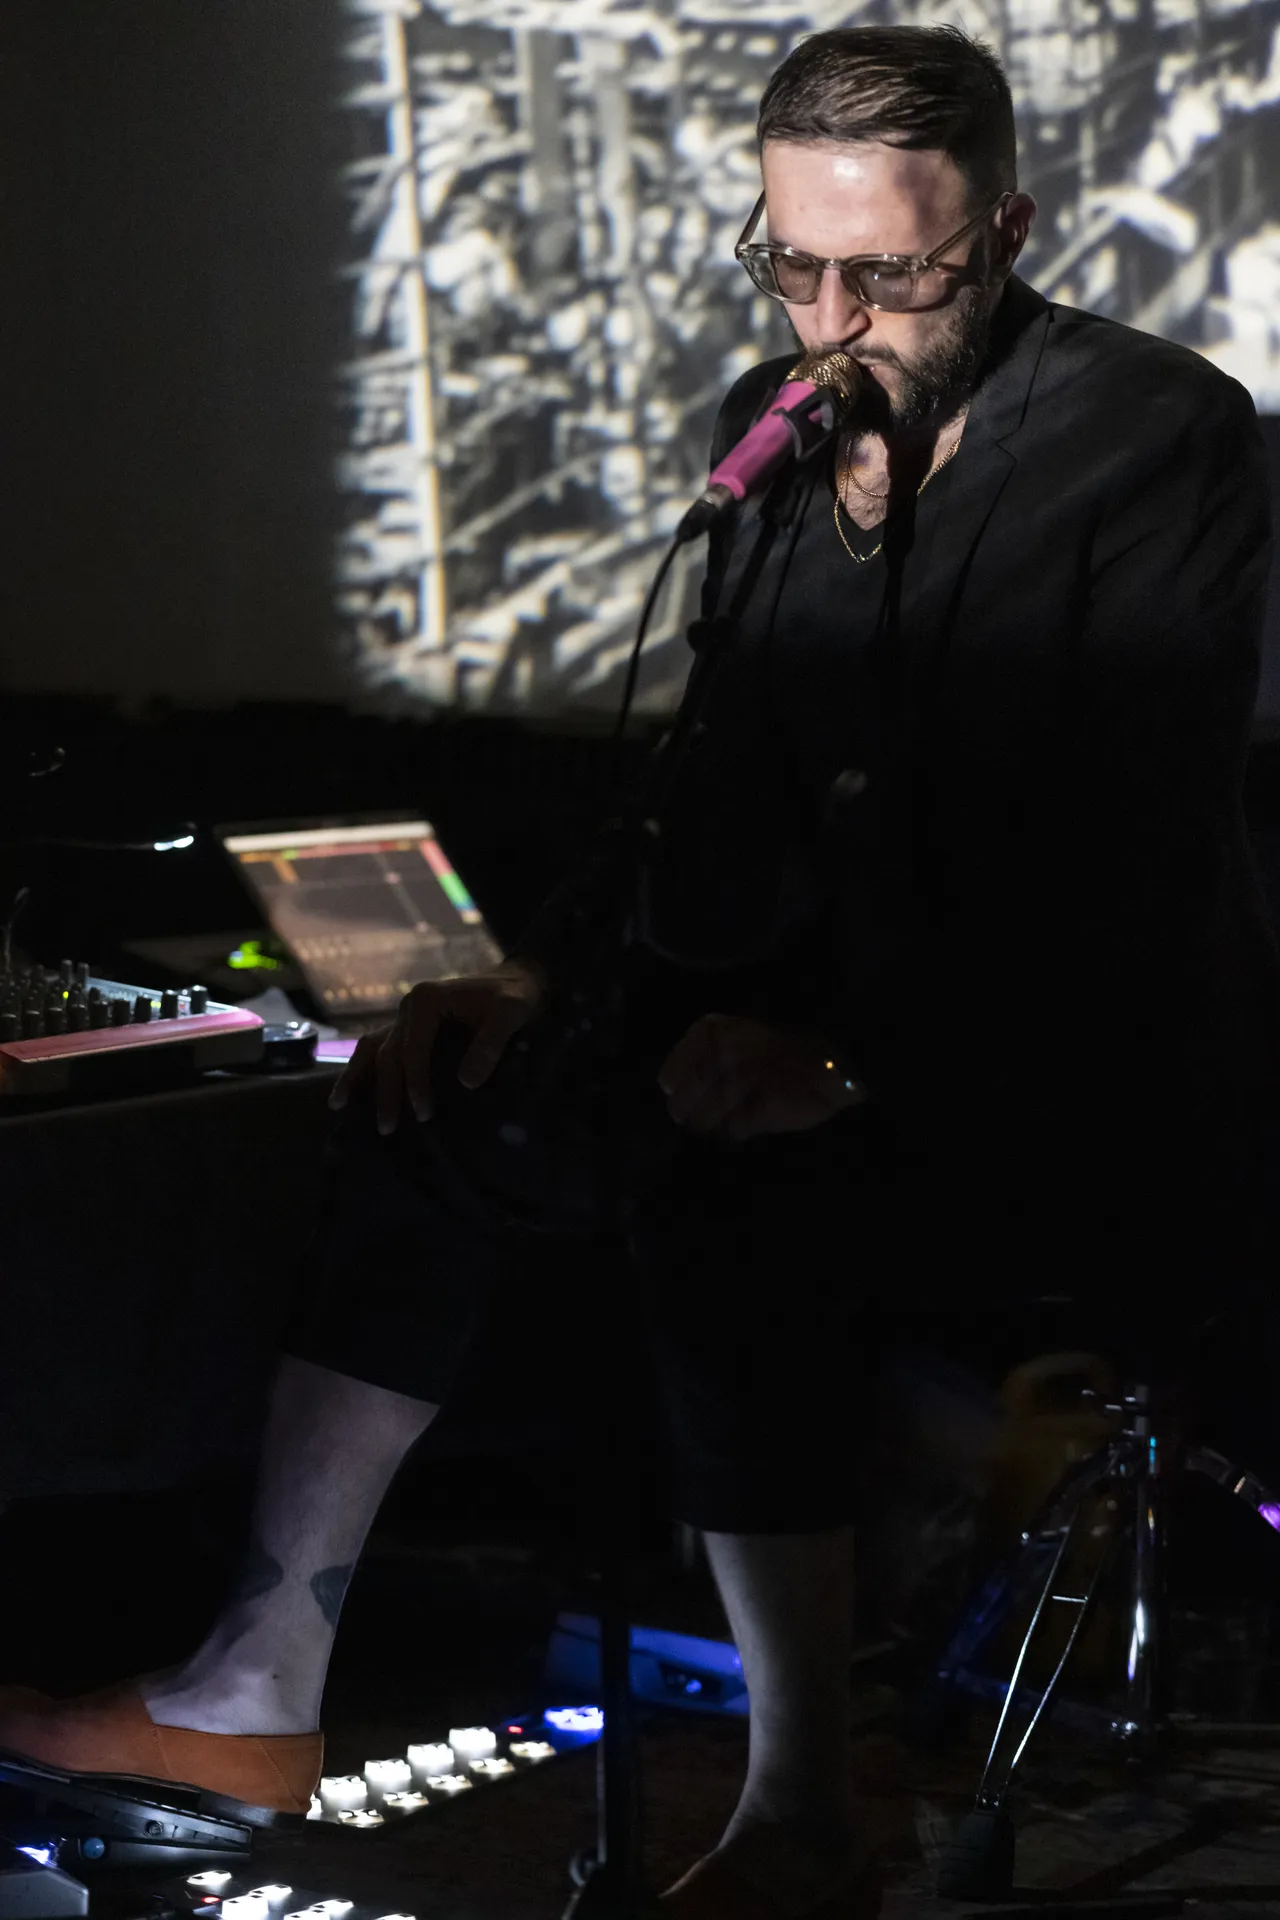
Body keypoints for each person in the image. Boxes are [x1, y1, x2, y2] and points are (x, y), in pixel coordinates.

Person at [2, 24, 1277, 1919]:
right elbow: (719, 786)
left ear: (1006, 234)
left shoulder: (1159, 435)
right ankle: (246, 1696)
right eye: (792, 265)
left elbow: (1119, 851)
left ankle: (806, 1813)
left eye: (892, 276)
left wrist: (850, 1056)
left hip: (1061, 1065)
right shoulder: (783, 426)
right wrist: (546, 984)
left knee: (730, 1190)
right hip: (799, 1037)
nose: (833, 321)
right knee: (436, 1109)